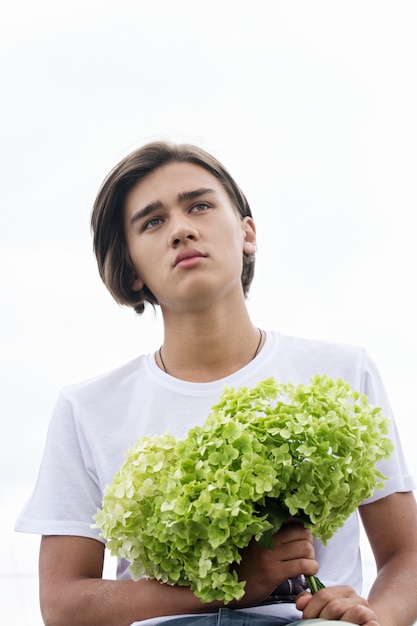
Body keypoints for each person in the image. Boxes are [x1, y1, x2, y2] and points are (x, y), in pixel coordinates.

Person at [16, 141, 417, 626]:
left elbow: (405, 556)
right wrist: (223, 587)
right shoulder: (89, 408)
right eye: (152, 221)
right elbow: (62, 603)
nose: (182, 229)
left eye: (200, 206)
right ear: (132, 269)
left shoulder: (341, 372)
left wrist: (372, 620)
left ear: (247, 232)